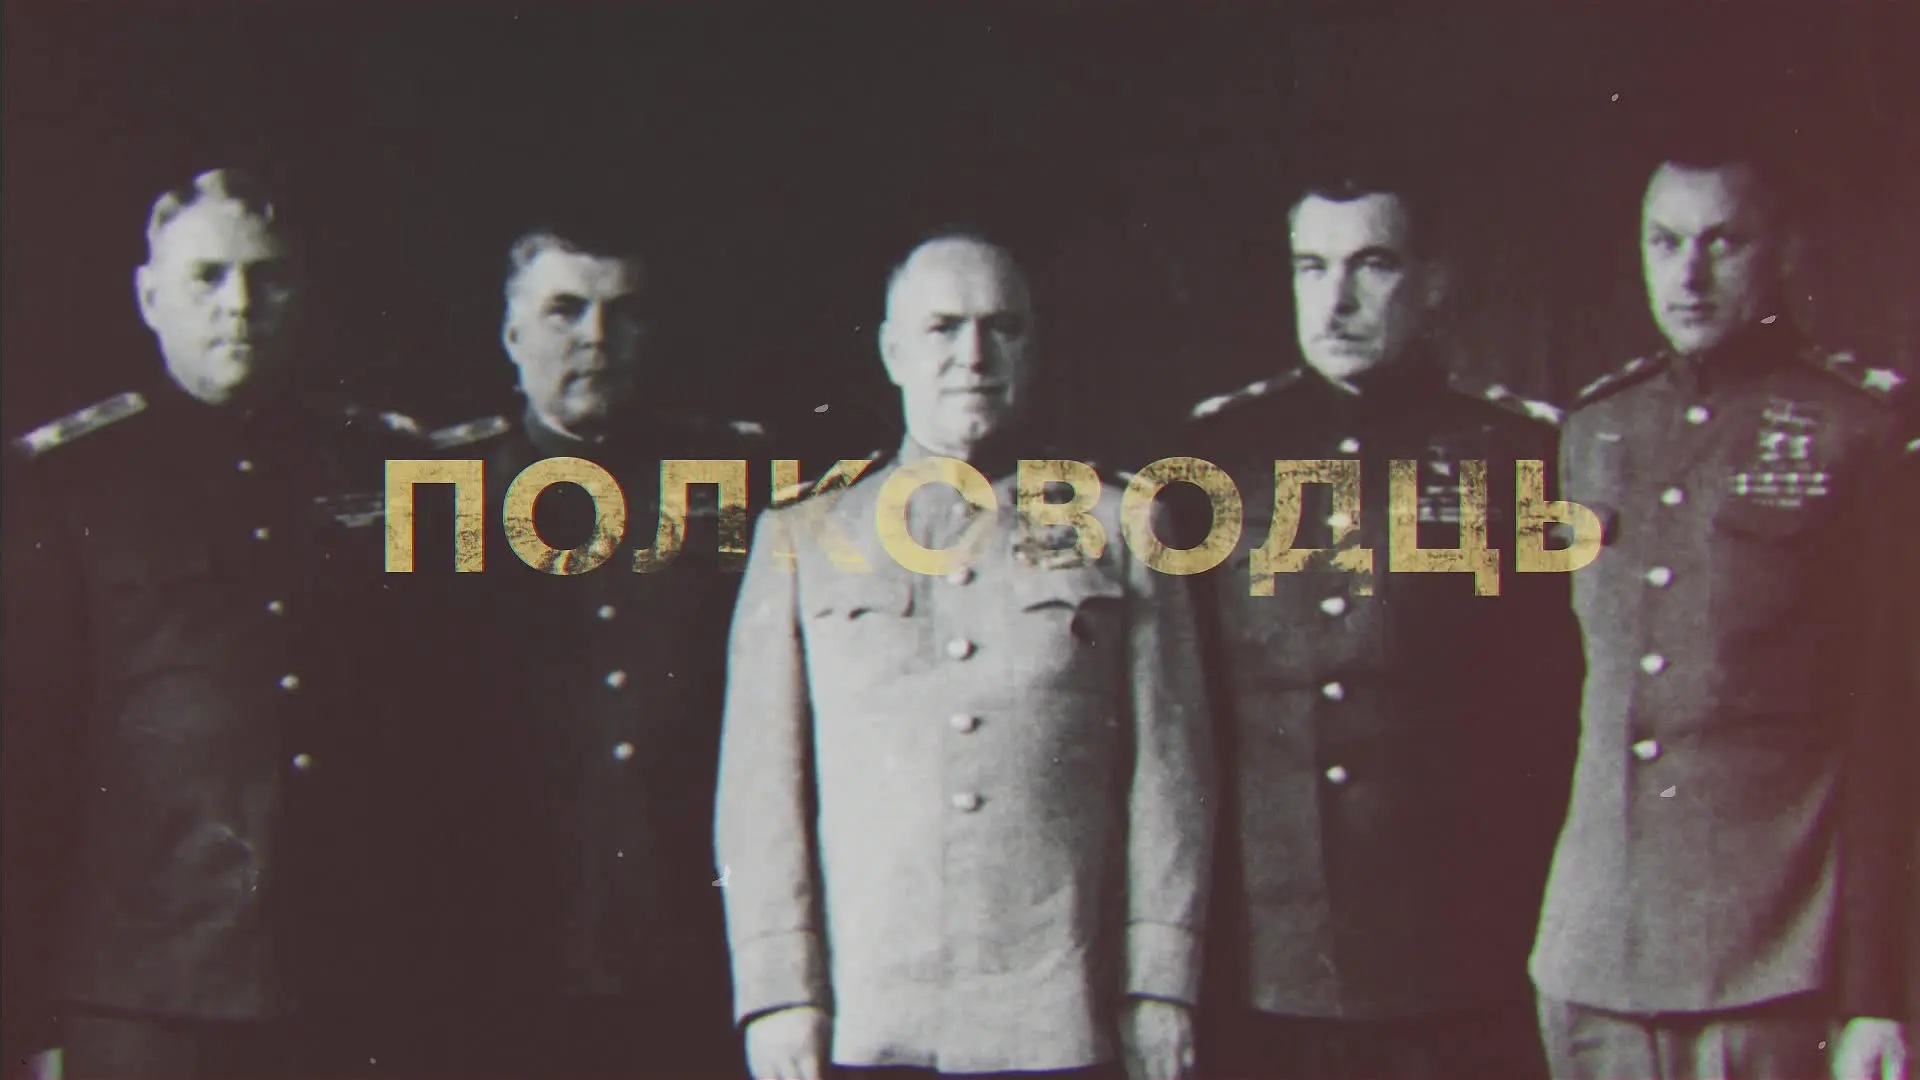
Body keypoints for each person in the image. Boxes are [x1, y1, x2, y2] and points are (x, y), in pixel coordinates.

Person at [715, 230, 1215, 1080]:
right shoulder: (805, 537)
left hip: (1061, 1010)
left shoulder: (1122, 525)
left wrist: (1159, 982)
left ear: (1033, 347)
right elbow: (761, 793)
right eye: (943, 328)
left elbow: (1170, 773)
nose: (974, 356)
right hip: (870, 1010)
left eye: (1001, 327)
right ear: (894, 351)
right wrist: (778, 992)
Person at [0, 167, 425, 1079]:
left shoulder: (394, 466)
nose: (239, 304)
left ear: (301, 295)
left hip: (343, 979)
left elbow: (444, 715)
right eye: (208, 277)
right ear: (149, 297)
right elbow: (26, 757)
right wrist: (22, 1011)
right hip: (142, 991)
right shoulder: (64, 482)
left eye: (267, 277)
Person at [1180, 170, 1583, 1080]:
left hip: (1456, 959)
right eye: (1312, 267)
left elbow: (1556, 706)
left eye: (1372, 265)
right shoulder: (1220, 453)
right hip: (1266, 961)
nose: (1337, 300)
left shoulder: (1515, 451)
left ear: (1434, 283)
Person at [1530, 140, 1917, 1080]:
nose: (1689, 277)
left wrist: (1877, 993)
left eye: (1723, 243)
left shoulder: (1859, 434)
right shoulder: (1594, 430)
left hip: (1772, 961)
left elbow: (1891, 732)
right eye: (1665, 243)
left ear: (1784, 252)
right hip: (1594, 957)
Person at [392, 219, 757, 1078]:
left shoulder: (723, 481)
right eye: (565, 311)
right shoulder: (441, 491)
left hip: (685, 943)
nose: (597, 336)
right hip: (496, 949)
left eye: (623, 313)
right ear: (511, 333)